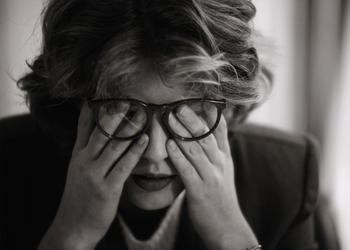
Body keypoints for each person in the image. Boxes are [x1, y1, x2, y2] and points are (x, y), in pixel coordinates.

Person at [0, 0, 319, 249]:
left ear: (230, 105)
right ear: (74, 102)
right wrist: (70, 238)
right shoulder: (8, 166)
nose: (154, 154)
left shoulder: (288, 176)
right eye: (124, 112)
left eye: (188, 113)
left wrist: (232, 239)